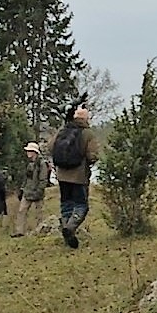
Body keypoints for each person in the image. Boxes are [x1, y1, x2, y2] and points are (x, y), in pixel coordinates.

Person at [51, 104, 99, 249]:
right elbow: (92, 155)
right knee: (81, 205)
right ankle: (70, 228)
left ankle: (66, 231)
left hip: (61, 175)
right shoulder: (87, 133)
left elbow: (50, 146)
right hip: (79, 176)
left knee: (66, 204)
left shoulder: (63, 130)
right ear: (86, 118)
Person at [12, 141, 49, 237]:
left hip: (37, 192)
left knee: (39, 213)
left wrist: (39, 191)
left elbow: (43, 179)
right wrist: (22, 189)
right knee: (21, 211)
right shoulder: (30, 164)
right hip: (28, 192)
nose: (27, 152)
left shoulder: (41, 164)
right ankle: (19, 231)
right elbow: (27, 178)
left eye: (29, 151)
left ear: (34, 152)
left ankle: (39, 231)